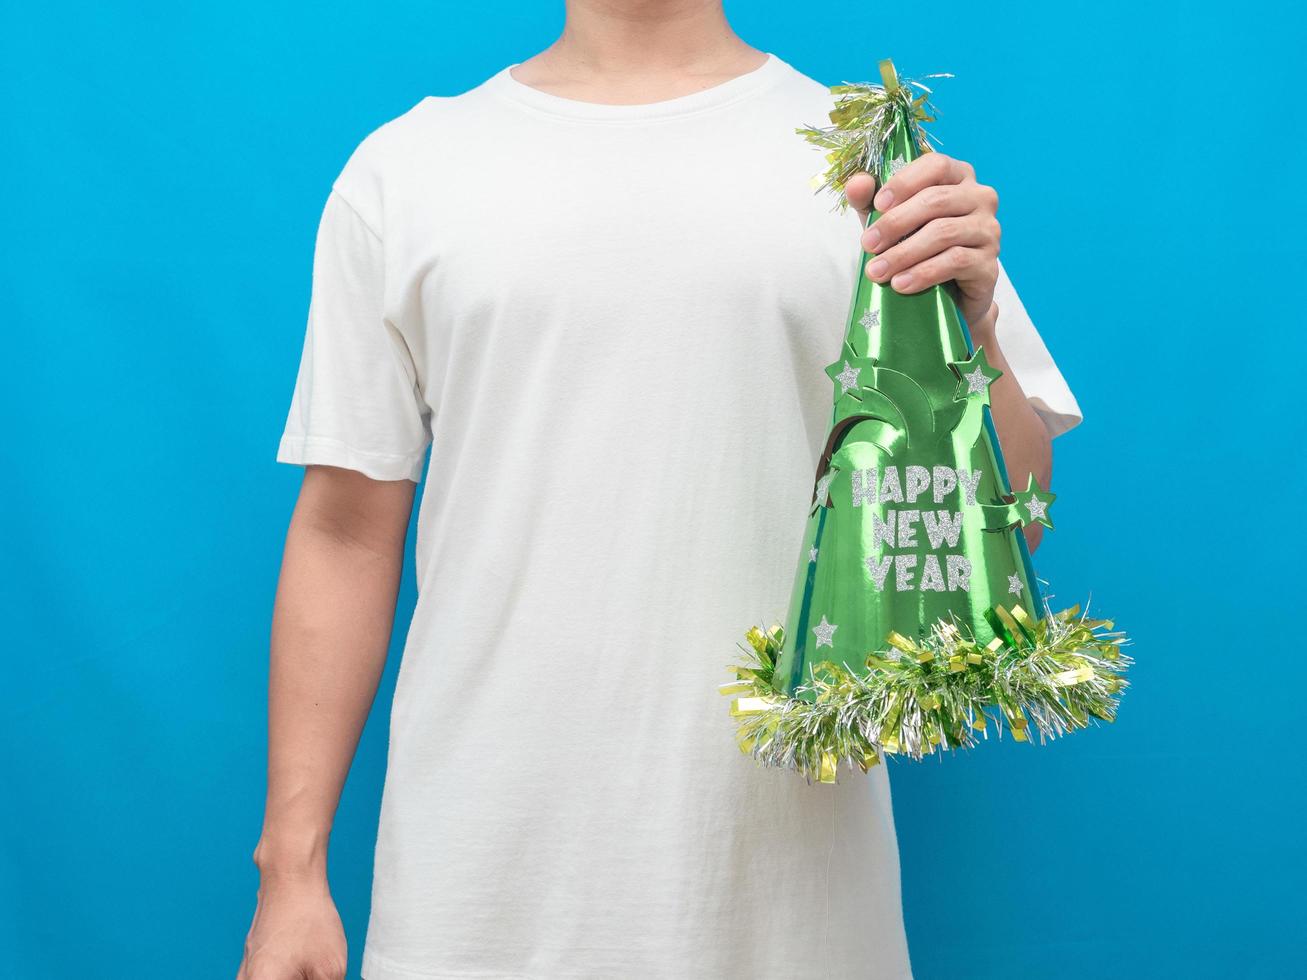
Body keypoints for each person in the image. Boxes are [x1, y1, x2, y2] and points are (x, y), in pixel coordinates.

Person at [236, 3, 1081, 978]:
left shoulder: (866, 165)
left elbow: (1001, 516)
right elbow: (346, 531)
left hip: (791, 906)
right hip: (473, 896)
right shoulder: (406, 170)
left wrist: (971, 323)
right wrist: (290, 868)